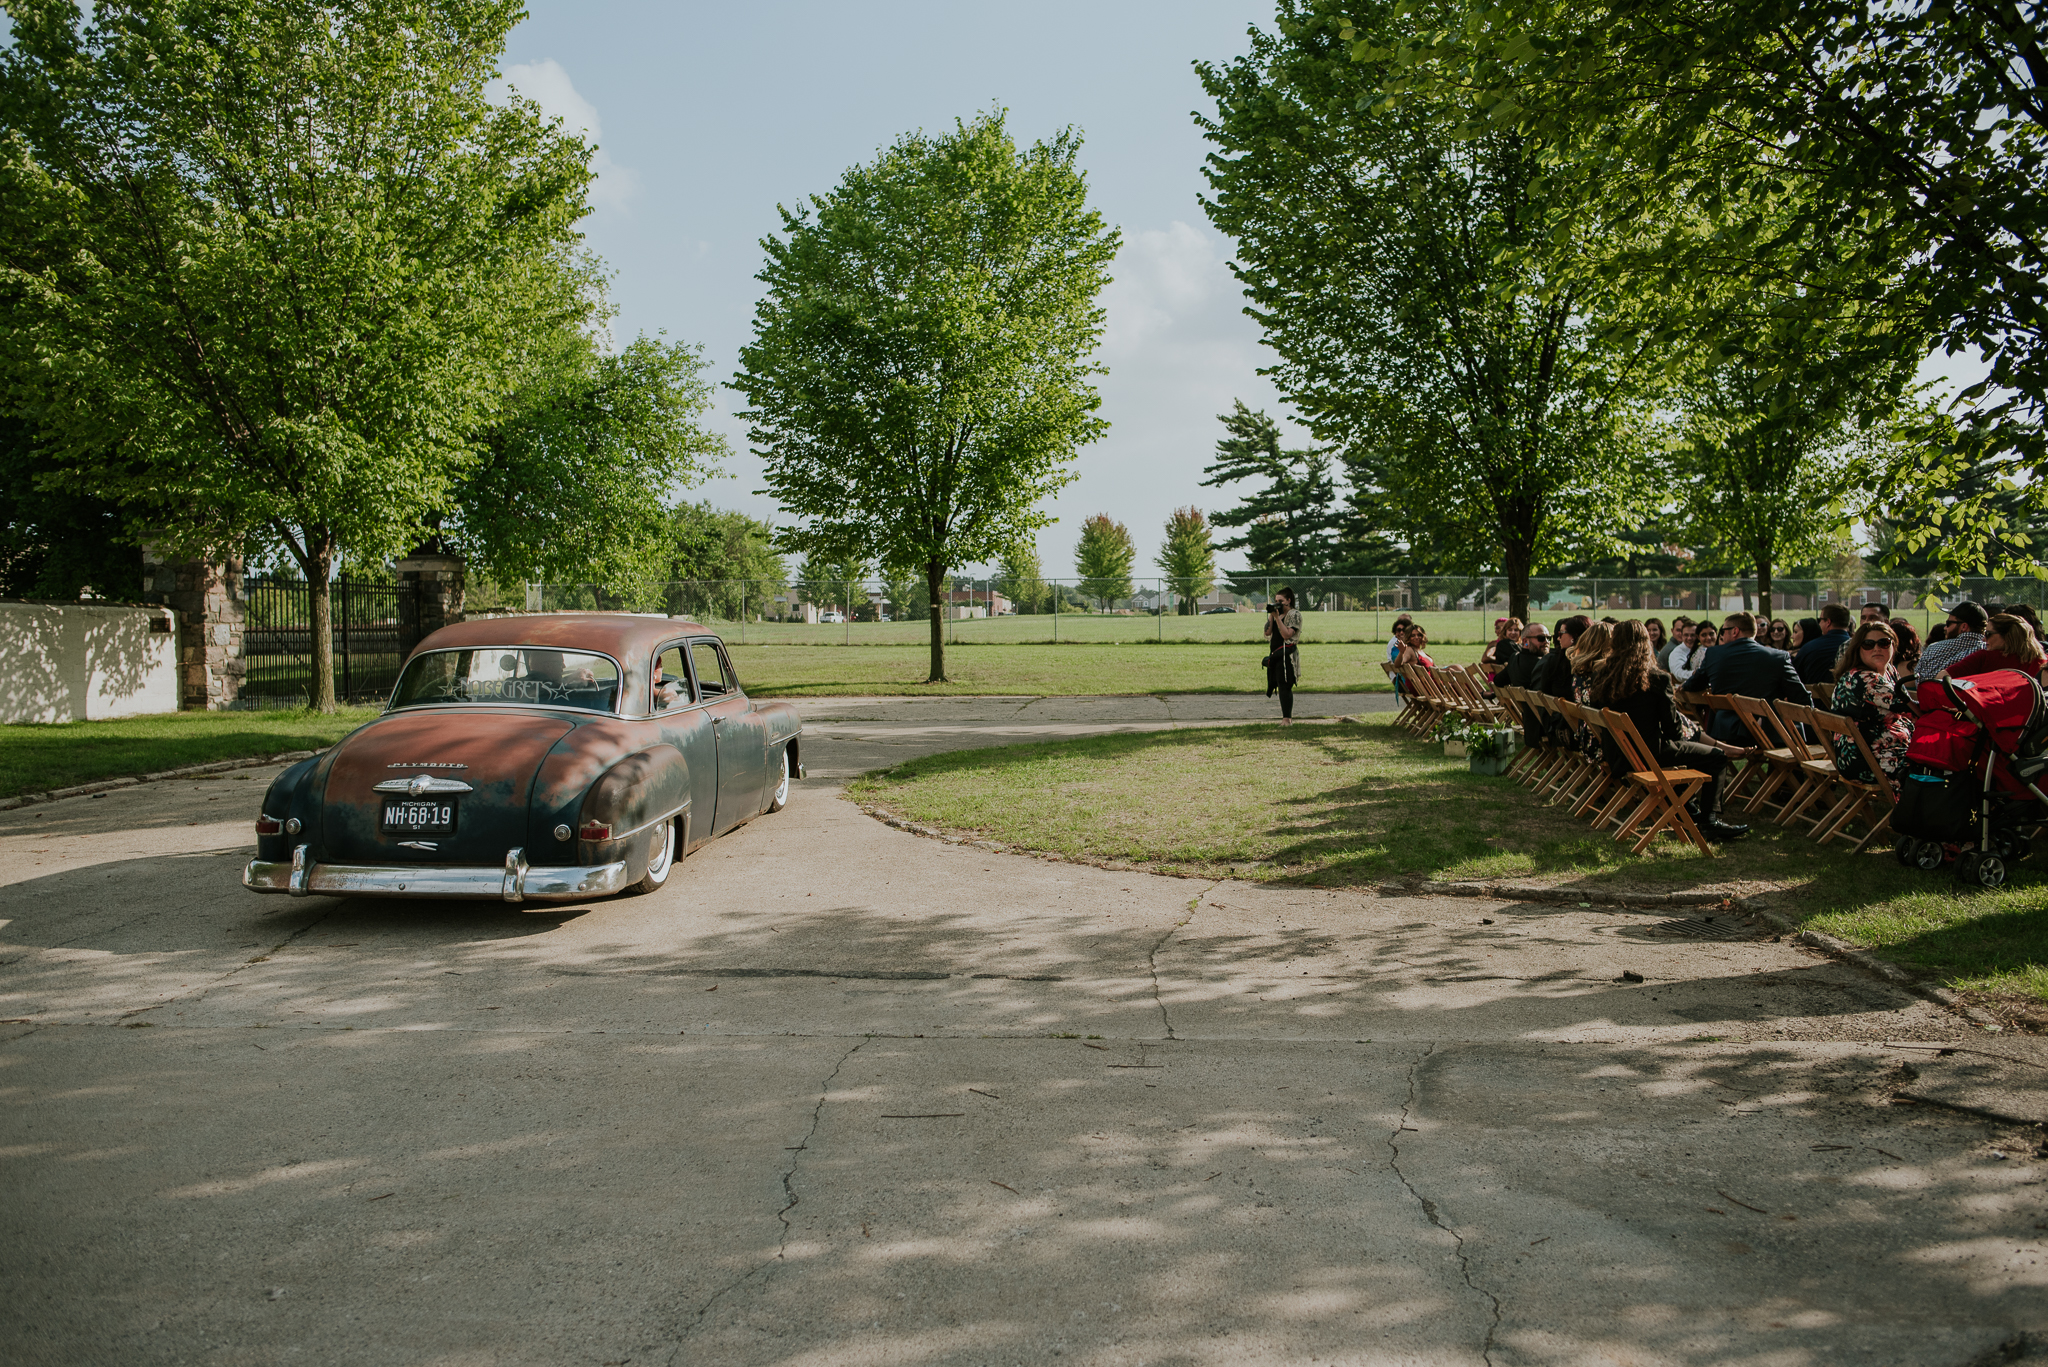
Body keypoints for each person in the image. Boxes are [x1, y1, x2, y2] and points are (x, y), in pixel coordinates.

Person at [1589, 619, 1751, 840]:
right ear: (1645, 643)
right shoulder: (1656, 679)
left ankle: (1689, 808)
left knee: (1685, 752)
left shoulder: (1602, 676)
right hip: (1649, 756)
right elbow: (1673, 731)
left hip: (1617, 755)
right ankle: (1708, 821)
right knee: (1716, 756)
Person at [1681, 611, 1809, 743]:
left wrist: (1683, 686)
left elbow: (1695, 684)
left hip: (1727, 731)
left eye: (1724, 630)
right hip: (1770, 734)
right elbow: (1800, 697)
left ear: (1735, 631)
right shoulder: (1778, 657)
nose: (1722, 635)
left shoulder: (1713, 654)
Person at [1830, 621, 1916, 782]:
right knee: (1934, 765)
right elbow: (1912, 708)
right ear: (1858, 648)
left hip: (1877, 754)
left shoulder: (1888, 670)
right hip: (1866, 761)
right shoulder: (1865, 679)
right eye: (1868, 644)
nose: (1877, 648)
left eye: (1884, 642)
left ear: (1893, 645)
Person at [1943, 613, 2046, 681]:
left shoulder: (1984, 658)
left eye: (1988, 634)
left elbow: (1942, 677)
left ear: (2007, 637)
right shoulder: (2042, 662)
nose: (1984, 639)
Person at [1916, 600, 1989, 677]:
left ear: (1964, 627)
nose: (1945, 628)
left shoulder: (1932, 649)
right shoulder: (1989, 651)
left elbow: (1918, 678)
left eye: (1948, 623)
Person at [1264, 588, 1302, 722]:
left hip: (1287, 654)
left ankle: (1287, 719)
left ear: (1289, 601)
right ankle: (1285, 718)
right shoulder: (1276, 615)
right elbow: (1267, 632)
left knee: (1285, 685)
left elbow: (1287, 635)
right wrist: (1271, 615)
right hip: (1275, 654)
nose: (1278, 604)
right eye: (1275, 601)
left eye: (1281, 601)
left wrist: (1277, 618)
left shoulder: (1294, 614)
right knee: (1279, 684)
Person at [1796, 603, 1854, 684]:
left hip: (1814, 694)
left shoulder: (1808, 648)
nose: (1819, 624)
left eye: (1820, 620)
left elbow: (1795, 677)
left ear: (1828, 622)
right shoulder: (1857, 647)